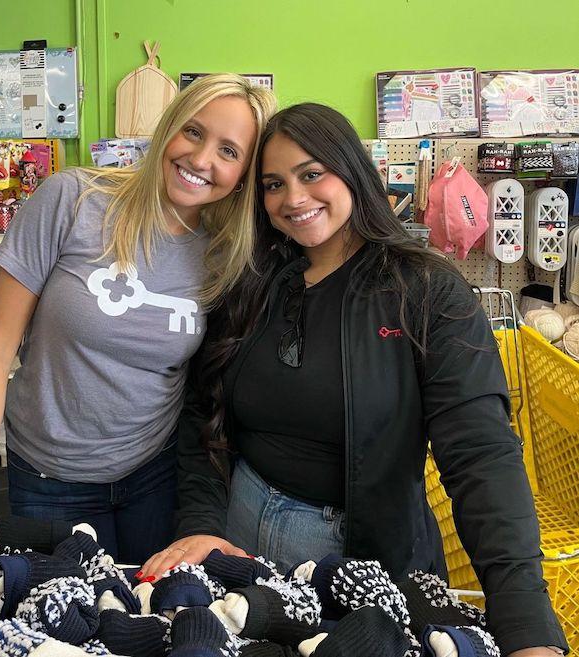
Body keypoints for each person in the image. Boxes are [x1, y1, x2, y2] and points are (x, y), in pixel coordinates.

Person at [141, 104, 568, 656]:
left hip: (366, 561)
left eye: (312, 173)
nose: (293, 198)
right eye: (273, 184)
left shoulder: (427, 291)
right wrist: (200, 525)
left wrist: (527, 628)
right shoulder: (252, 280)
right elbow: (202, 416)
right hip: (239, 543)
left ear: (352, 170)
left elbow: (482, 456)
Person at [0, 74, 276, 605]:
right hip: (48, 478)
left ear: (244, 173)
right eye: (193, 132)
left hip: (155, 476)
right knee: (59, 622)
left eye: (229, 150)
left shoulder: (226, 253)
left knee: (143, 620)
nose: (201, 158)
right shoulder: (73, 199)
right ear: (169, 127)